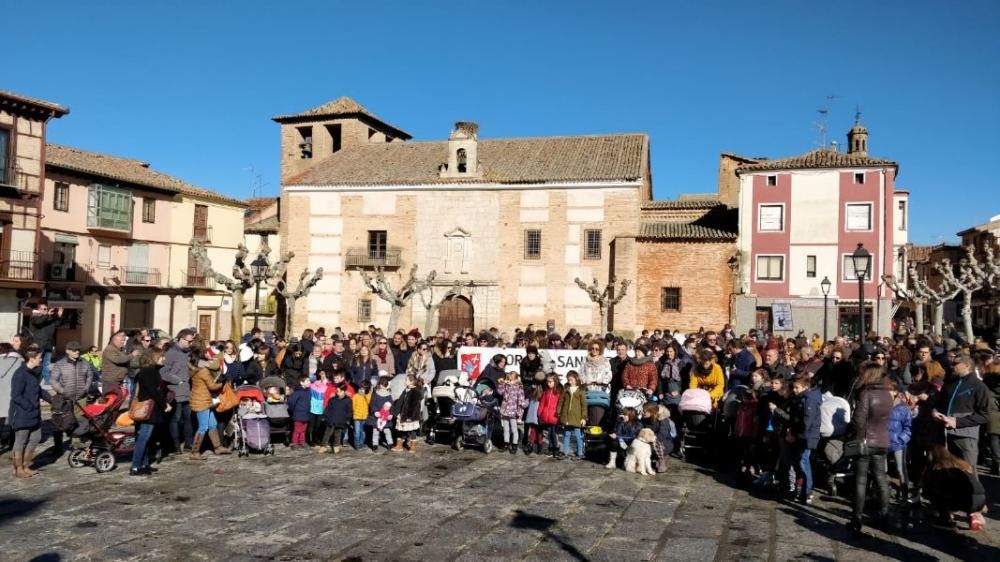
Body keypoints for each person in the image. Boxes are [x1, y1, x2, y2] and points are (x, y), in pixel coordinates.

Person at [848, 363, 894, 534]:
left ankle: (857, 517)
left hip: (866, 441)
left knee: (860, 480)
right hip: (883, 441)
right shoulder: (888, 394)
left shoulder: (866, 393)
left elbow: (859, 420)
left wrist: (852, 431)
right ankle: (884, 514)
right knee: (881, 478)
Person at [932, 353, 990, 472]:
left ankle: (976, 491)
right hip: (947, 435)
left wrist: (957, 421)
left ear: (967, 366)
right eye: (952, 363)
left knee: (969, 473)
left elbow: (985, 415)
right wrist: (935, 412)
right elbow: (939, 403)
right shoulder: (950, 383)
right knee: (954, 474)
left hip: (967, 437)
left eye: (955, 363)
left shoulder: (979, 386)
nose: (952, 366)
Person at [923, 445, 988, 531]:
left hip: (963, 500)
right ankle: (975, 514)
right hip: (980, 499)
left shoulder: (938, 468)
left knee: (936, 493)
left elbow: (928, 492)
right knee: (961, 491)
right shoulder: (961, 463)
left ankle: (945, 520)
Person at [9, 346, 51, 477]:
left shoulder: (34, 373)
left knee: (36, 437)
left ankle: (26, 465)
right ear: (32, 358)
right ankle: (18, 468)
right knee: (20, 440)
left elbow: (38, 390)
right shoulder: (20, 374)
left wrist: (52, 399)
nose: (41, 360)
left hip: (33, 413)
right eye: (39, 358)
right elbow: (16, 395)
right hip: (22, 413)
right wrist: (30, 406)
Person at [130, 348, 171, 476]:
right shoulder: (148, 372)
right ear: (152, 357)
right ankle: (136, 466)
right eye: (161, 356)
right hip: (148, 409)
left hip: (152, 409)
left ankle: (144, 463)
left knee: (148, 438)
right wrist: (164, 404)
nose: (164, 358)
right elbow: (154, 391)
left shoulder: (152, 371)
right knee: (144, 437)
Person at [49, 341, 95, 451]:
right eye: (74, 350)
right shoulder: (60, 364)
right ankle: (58, 446)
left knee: (79, 420)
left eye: (78, 350)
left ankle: (76, 442)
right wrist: (62, 390)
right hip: (64, 398)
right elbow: (53, 380)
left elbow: (90, 376)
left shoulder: (85, 363)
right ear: (67, 351)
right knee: (60, 421)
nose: (77, 352)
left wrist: (86, 388)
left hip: (81, 397)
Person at [188, 347, 230, 459]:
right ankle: (195, 452)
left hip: (201, 399)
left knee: (212, 424)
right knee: (203, 427)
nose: (208, 355)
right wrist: (222, 383)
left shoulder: (195, 368)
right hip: (202, 401)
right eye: (205, 354)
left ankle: (218, 447)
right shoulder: (203, 371)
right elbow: (212, 386)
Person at [787, 374, 822, 504]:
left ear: (805, 387)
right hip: (802, 435)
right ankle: (802, 490)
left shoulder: (809, 399)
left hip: (806, 436)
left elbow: (807, 421)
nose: (794, 390)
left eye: (797, 388)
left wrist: (796, 434)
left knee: (803, 462)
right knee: (801, 462)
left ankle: (807, 491)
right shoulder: (803, 398)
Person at [161, 329, 195, 454]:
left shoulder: (186, 352)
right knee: (175, 419)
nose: (191, 344)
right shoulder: (171, 353)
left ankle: (188, 443)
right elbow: (163, 373)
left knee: (188, 418)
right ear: (181, 339)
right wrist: (178, 381)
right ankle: (175, 445)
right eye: (189, 341)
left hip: (186, 391)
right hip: (175, 392)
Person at [887, 383, 913, 500]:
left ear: (895, 392)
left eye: (890, 390)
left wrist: (900, 439)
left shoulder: (903, 409)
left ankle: (904, 494)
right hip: (883, 442)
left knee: (900, 469)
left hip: (898, 444)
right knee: (882, 470)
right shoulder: (882, 406)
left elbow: (909, 428)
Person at [556, 370, 587, 461]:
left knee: (578, 436)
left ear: (576, 379)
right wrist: (559, 412)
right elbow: (561, 402)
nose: (569, 382)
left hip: (577, 418)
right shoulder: (566, 390)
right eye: (568, 380)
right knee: (566, 435)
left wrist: (584, 417)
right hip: (567, 418)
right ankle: (565, 453)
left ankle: (580, 453)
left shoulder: (581, 390)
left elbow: (584, 405)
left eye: (571, 380)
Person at [29, 303, 62, 385]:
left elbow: (56, 324)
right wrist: (47, 315)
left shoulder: (49, 318)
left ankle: (47, 379)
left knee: (46, 364)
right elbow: (39, 323)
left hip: (48, 344)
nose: (47, 310)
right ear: (39, 309)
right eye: (44, 309)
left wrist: (59, 315)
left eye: (47, 309)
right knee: (37, 363)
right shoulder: (35, 317)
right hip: (39, 344)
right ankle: (35, 380)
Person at [498, 371, 527, 455]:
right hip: (505, 409)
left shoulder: (519, 386)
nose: (510, 377)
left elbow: (521, 399)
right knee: (506, 428)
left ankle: (514, 444)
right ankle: (506, 443)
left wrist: (520, 411)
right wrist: (501, 384)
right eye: (509, 375)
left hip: (513, 410)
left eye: (512, 375)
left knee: (514, 429)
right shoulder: (505, 385)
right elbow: (500, 392)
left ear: (515, 377)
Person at [641, 402, 675, 473]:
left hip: (664, 443)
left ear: (652, 412)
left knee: (661, 469)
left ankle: (662, 458)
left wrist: (649, 440)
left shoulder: (663, 421)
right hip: (648, 440)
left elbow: (662, 435)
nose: (643, 412)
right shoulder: (644, 419)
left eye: (645, 411)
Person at [393, 374, 423, 452]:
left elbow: (415, 406)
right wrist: (396, 412)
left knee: (412, 430)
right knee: (401, 429)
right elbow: (400, 402)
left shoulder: (415, 392)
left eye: (406, 380)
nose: (405, 381)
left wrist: (409, 416)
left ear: (411, 382)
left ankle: (413, 446)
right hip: (403, 414)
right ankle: (399, 445)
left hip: (411, 416)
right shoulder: (405, 390)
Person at [319, 385, 352, 454]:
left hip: (341, 420)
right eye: (337, 391)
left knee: (338, 433)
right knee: (327, 433)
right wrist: (324, 416)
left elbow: (349, 411)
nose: (338, 393)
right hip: (331, 419)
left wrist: (348, 419)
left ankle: (336, 446)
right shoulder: (332, 399)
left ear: (344, 391)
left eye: (340, 391)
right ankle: (323, 446)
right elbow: (328, 408)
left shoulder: (348, 400)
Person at [367, 376, 395, 451]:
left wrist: (390, 414)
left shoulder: (388, 395)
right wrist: (375, 411)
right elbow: (373, 404)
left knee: (387, 431)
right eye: (381, 385)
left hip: (385, 417)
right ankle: (375, 444)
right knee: (376, 431)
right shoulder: (375, 394)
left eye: (383, 385)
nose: (382, 387)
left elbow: (391, 406)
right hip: (377, 416)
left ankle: (390, 443)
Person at [538, 374, 562, 457]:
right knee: (549, 433)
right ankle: (550, 448)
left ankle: (556, 448)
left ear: (555, 382)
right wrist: (539, 413)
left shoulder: (559, 392)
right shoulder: (546, 392)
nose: (548, 384)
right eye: (547, 382)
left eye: (550, 382)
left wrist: (559, 415)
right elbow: (542, 403)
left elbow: (560, 404)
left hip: (554, 416)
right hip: (546, 416)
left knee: (554, 433)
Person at [286, 375, 311, 449]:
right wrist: (294, 411)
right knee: (297, 430)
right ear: (301, 383)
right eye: (307, 381)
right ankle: (294, 443)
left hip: (306, 414)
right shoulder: (298, 392)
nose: (309, 382)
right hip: (298, 414)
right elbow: (291, 402)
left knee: (303, 430)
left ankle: (302, 441)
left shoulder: (308, 391)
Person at [352, 380, 372, 450]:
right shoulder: (356, 396)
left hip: (364, 417)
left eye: (364, 389)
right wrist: (354, 413)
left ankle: (361, 443)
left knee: (363, 431)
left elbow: (370, 404)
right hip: (357, 416)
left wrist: (365, 395)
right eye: (361, 388)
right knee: (357, 432)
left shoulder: (368, 396)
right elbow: (353, 406)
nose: (361, 390)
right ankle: (356, 444)